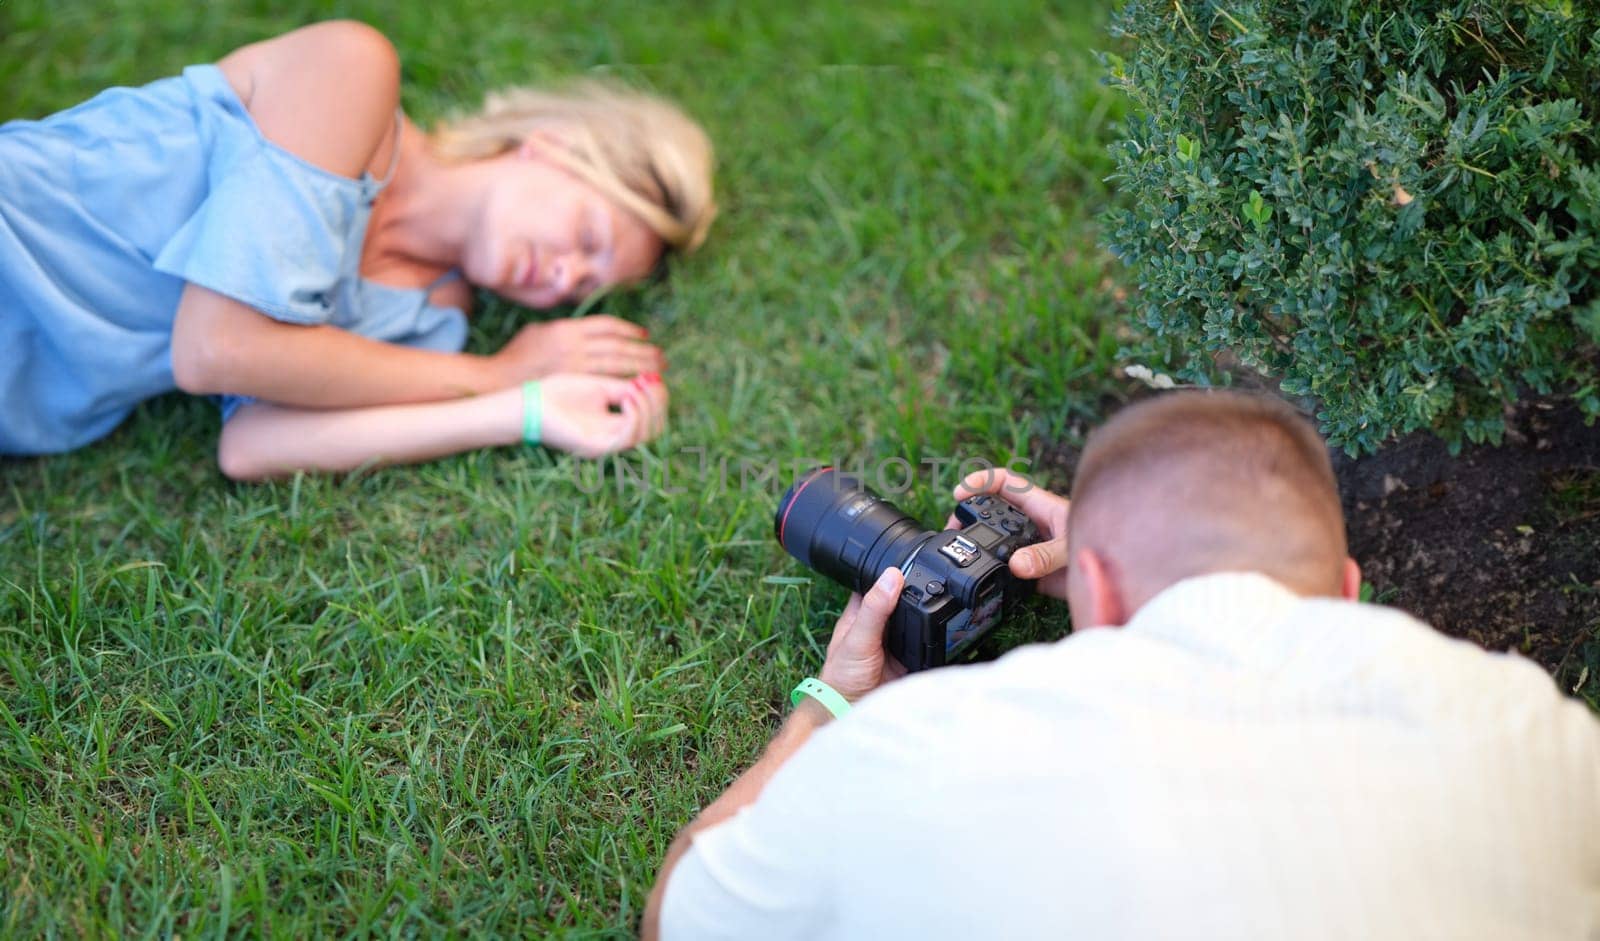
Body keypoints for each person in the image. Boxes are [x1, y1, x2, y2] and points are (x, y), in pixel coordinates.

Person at [644, 391, 1600, 940]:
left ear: (1088, 584)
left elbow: (678, 915)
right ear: (1349, 586)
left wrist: (826, 706)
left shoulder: (926, 743)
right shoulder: (1534, 725)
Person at [0, 20, 716, 478]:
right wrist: (496, 369)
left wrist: (524, 404)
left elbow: (253, 444)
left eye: (578, 287)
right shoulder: (348, 77)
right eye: (587, 237)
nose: (560, 275)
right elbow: (214, 348)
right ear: (552, 148)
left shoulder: (432, 318)